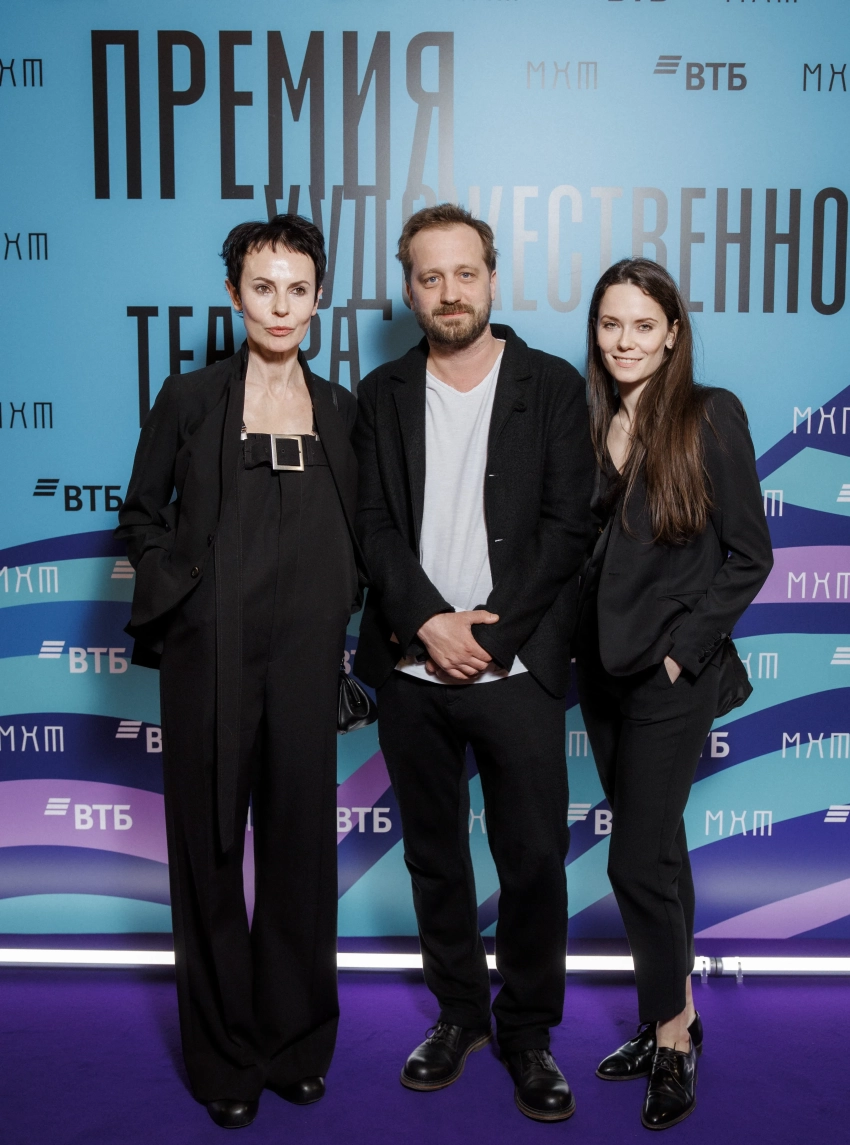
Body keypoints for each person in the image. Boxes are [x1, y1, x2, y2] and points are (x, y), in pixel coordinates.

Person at [115, 215, 361, 1130]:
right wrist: (183, 596)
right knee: (210, 852)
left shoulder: (342, 408)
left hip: (307, 654)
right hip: (209, 654)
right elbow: (142, 514)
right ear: (234, 295)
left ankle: (294, 1044)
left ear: (319, 297)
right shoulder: (190, 397)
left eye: (297, 288)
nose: (280, 306)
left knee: (300, 849)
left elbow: (367, 526)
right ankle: (225, 1056)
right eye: (263, 288)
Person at [352, 203, 594, 1122]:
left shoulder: (554, 386)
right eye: (430, 276)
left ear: (492, 278)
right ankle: (460, 1014)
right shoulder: (379, 394)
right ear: (409, 289)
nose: (448, 292)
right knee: (434, 856)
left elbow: (567, 528)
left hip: (516, 669)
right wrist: (428, 622)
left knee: (532, 858)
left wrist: (489, 637)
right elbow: (371, 525)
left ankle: (528, 1031)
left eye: (464, 273)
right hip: (411, 670)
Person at [574, 258, 773, 1130]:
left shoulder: (708, 414)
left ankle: (673, 1037)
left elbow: (751, 554)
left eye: (643, 326)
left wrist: (682, 656)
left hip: (669, 678)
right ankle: (673, 1015)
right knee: (660, 853)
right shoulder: (594, 420)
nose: (624, 341)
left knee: (633, 860)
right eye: (610, 324)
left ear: (673, 334)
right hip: (599, 673)